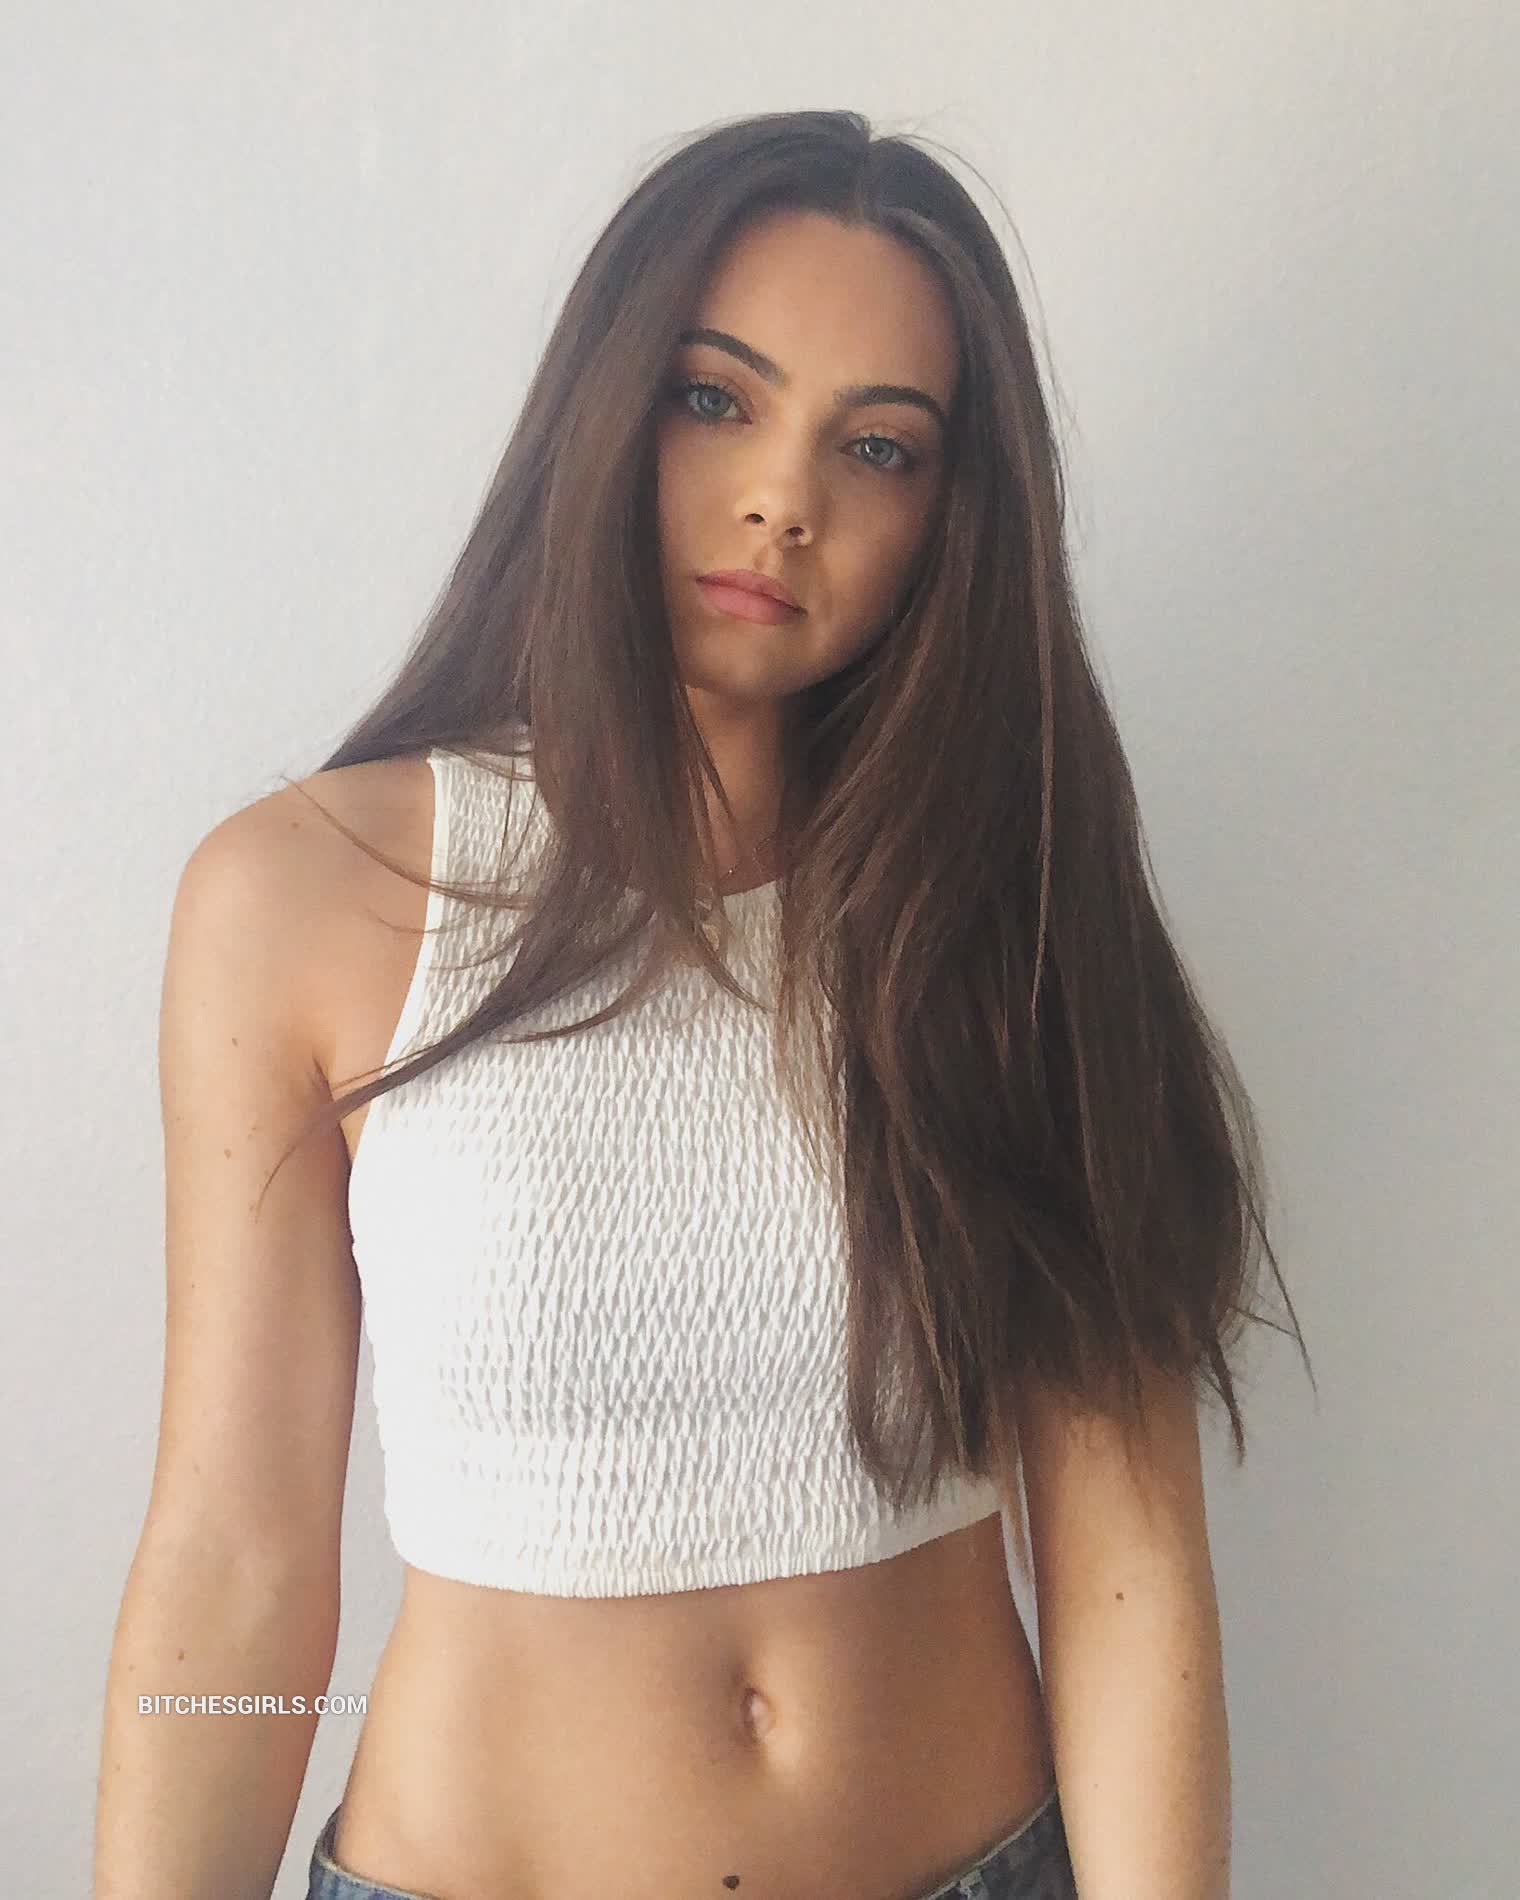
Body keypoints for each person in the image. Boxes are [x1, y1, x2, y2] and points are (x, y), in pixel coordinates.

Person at [93, 109, 1310, 1900]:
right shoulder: (301, 896)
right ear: (607, 406)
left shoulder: (1012, 905)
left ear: (952, 515)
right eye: (715, 398)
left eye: (879, 448)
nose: (783, 500)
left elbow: (1126, 1554)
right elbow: (238, 1553)